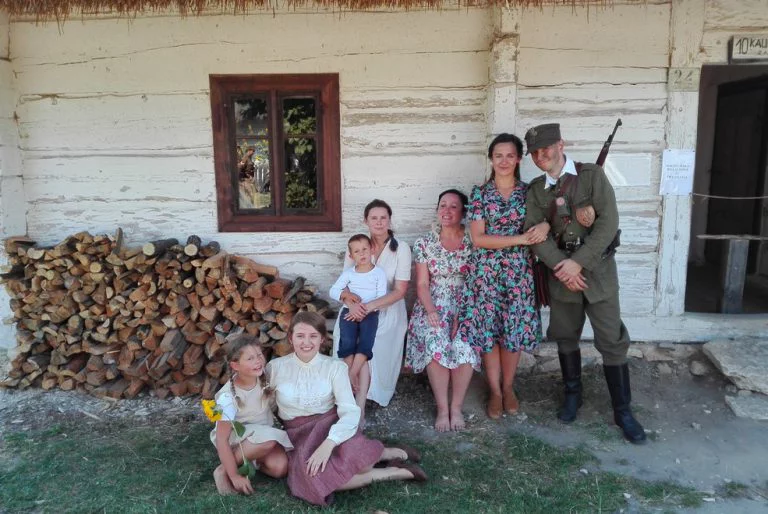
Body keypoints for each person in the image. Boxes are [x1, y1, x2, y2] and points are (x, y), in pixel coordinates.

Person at [522, 122, 646, 444]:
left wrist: (578, 262)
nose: (540, 156)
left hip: (598, 273)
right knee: (566, 337)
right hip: (562, 276)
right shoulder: (536, 190)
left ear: (561, 145)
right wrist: (562, 266)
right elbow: (534, 233)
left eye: (546, 149)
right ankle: (572, 396)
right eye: (534, 152)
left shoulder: (591, 176)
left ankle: (623, 410)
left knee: (612, 340)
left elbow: (609, 223)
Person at [267, 311, 427, 506]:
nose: (306, 342)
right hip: (298, 433)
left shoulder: (335, 367)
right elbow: (263, 402)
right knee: (313, 478)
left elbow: (349, 410)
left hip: (330, 425)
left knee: (362, 464)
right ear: (290, 338)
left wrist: (328, 444)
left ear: (322, 339)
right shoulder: (275, 368)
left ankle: (389, 453)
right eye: (300, 336)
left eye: (313, 336)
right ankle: (394, 472)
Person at [455, 133, 547, 420]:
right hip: (486, 274)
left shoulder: (529, 192)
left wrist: (544, 225)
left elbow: (548, 218)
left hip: (518, 274)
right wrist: (520, 239)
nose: (504, 161)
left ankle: (508, 387)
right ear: (491, 159)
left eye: (510, 155)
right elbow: (479, 238)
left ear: (518, 159)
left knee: (512, 331)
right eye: (498, 156)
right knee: (489, 333)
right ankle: (494, 390)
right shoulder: (480, 193)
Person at [406, 189, 480, 432]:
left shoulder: (473, 241)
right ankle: (442, 409)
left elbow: (475, 281)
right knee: (435, 339)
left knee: (464, 343)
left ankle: (456, 407)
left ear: (463, 212)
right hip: (433, 300)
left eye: (453, 206)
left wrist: (462, 313)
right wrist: (431, 311)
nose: (446, 211)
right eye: (443, 206)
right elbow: (422, 284)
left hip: (465, 301)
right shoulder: (424, 243)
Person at [332, 199, 412, 407]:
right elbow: (344, 284)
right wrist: (351, 304)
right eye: (373, 218)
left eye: (383, 218)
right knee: (343, 334)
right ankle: (346, 394)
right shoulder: (358, 245)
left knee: (373, 339)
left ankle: (362, 397)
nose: (379, 222)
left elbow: (400, 291)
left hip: (387, 307)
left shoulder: (401, 248)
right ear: (365, 221)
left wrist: (368, 308)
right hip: (355, 305)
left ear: (389, 220)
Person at [210, 334, 293, 495]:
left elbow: (275, 408)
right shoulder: (227, 397)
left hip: (261, 435)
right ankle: (224, 470)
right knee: (268, 440)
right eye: (250, 358)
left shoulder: (264, 379)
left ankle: (251, 459)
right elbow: (222, 439)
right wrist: (234, 476)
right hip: (237, 438)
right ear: (235, 365)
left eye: (259, 355)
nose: (258, 361)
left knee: (280, 468)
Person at [329, 234, 387, 423]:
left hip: (370, 313)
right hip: (349, 313)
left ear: (372, 250)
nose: (361, 254)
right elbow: (333, 291)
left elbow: (381, 296)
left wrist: (363, 310)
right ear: (351, 255)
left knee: (365, 343)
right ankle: (348, 403)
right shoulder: (349, 274)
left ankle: (351, 375)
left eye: (364, 249)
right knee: (347, 342)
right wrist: (346, 296)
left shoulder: (378, 273)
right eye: (357, 251)